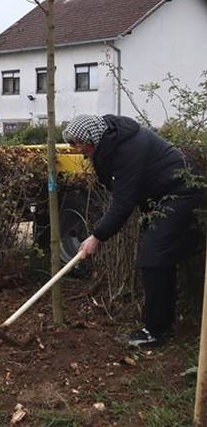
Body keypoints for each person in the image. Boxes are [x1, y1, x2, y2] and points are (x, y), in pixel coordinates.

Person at [64, 114, 202, 347]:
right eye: (73, 144)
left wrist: (97, 236)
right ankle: (163, 325)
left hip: (179, 194)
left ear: (92, 137)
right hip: (160, 198)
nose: (78, 149)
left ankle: (155, 331)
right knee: (158, 260)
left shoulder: (128, 148)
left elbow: (123, 202)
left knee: (153, 258)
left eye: (79, 143)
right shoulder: (110, 144)